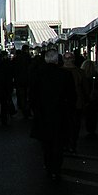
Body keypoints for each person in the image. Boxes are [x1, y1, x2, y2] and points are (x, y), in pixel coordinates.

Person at [30, 49, 76, 180]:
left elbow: (33, 96)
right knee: (59, 143)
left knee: (46, 143)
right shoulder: (65, 75)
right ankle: (56, 168)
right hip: (61, 115)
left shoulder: (38, 75)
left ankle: (48, 166)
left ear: (45, 59)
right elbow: (72, 96)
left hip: (43, 115)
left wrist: (36, 111)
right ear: (57, 60)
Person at [62, 52, 85, 152]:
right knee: (75, 124)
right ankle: (73, 143)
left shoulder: (59, 72)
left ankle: (66, 142)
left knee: (64, 123)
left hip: (62, 102)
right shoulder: (80, 72)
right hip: (77, 102)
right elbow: (85, 88)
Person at [80, 59, 98, 137]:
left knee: (87, 114)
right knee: (93, 115)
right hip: (94, 97)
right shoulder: (95, 75)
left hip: (85, 98)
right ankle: (92, 130)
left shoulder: (82, 75)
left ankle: (88, 129)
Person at [12, 44, 32, 118]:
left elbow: (14, 69)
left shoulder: (17, 58)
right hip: (27, 80)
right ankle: (27, 111)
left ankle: (21, 106)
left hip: (19, 80)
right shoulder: (28, 57)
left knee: (21, 95)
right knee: (27, 96)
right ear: (27, 50)